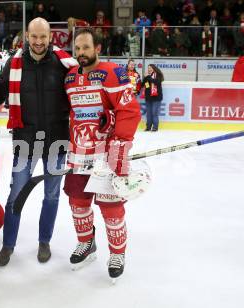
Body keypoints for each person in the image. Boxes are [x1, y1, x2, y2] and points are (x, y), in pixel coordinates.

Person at [0, 17, 77, 266]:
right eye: (33, 36)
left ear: (50, 37)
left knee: (52, 196)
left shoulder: (64, 64)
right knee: (16, 195)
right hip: (25, 142)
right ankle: (8, 245)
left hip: (57, 142)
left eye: (42, 37)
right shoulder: (14, 63)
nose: (38, 41)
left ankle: (44, 241)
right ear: (27, 35)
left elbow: (84, 93)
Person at [63, 27, 141, 279]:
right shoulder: (70, 77)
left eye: (86, 47)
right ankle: (87, 243)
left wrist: (118, 147)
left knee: (111, 207)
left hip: (107, 155)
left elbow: (129, 111)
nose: (81, 52)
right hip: (79, 154)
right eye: (77, 48)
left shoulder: (113, 73)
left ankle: (117, 253)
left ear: (97, 48)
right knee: (77, 203)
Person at [142, 64, 164, 132]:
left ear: (154, 68)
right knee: (149, 113)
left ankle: (155, 127)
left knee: (154, 113)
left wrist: (148, 77)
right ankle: (148, 127)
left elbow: (156, 82)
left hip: (156, 98)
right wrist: (145, 78)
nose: (149, 69)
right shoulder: (148, 77)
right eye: (148, 68)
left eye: (150, 68)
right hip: (149, 98)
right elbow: (146, 86)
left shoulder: (158, 75)